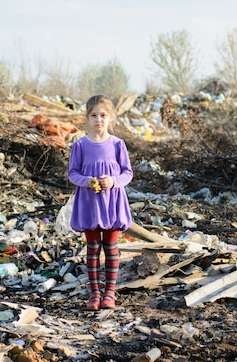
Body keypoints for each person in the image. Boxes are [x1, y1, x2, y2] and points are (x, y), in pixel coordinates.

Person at [68, 94, 133, 310]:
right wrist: (87, 181)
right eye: (94, 115)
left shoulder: (117, 145)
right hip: (89, 203)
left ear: (111, 117)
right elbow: (72, 174)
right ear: (87, 118)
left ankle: (110, 294)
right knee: (93, 247)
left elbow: (127, 173)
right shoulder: (80, 146)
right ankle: (95, 293)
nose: (99, 119)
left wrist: (113, 181)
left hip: (112, 202)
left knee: (111, 247)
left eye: (103, 115)